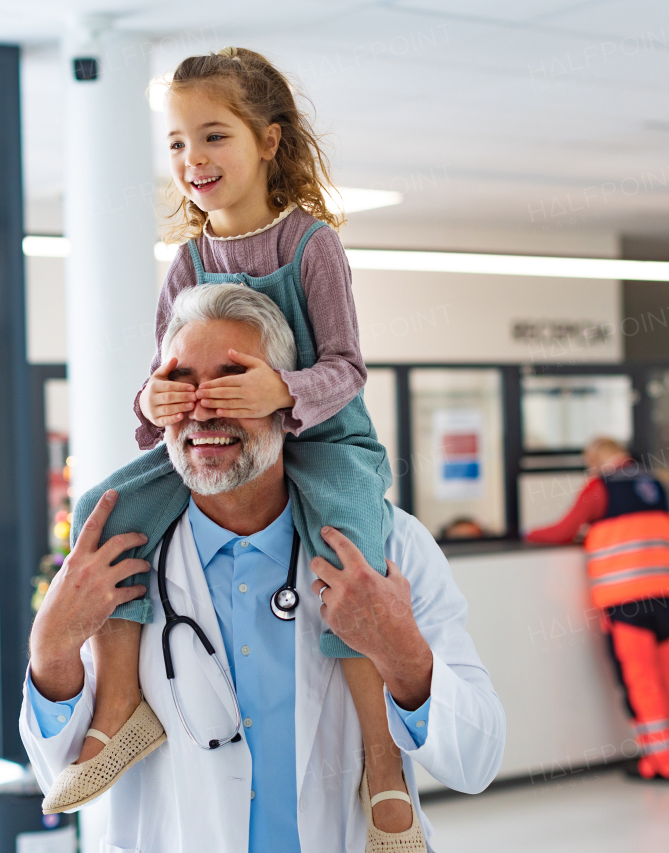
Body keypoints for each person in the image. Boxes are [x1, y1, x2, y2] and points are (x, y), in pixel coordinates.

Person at [48, 47, 422, 842]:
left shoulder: (308, 245)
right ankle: (119, 706)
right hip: (211, 444)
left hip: (322, 440)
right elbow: (158, 401)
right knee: (101, 510)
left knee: (345, 551)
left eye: (213, 137)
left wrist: (280, 392)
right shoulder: (185, 262)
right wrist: (154, 398)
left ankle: (382, 761)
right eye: (178, 143)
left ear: (270, 142)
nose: (193, 160)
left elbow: (348, 368)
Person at [22, 285, 505, 852]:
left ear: (287, 399)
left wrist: (401, 654)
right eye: (182, 384)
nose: (203, 406)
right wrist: (51, 651)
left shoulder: (390, 547)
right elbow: (60, 771)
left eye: (233, 383)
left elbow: (476, 760)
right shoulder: (118, 556)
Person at [526, 437, 669, 781]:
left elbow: (564, 530)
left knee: (641, 680)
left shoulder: (599, 487)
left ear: (596, 459)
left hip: (625, 601)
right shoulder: (656, 483)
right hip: (664, 596)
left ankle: (664, 763)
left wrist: (524, 532)